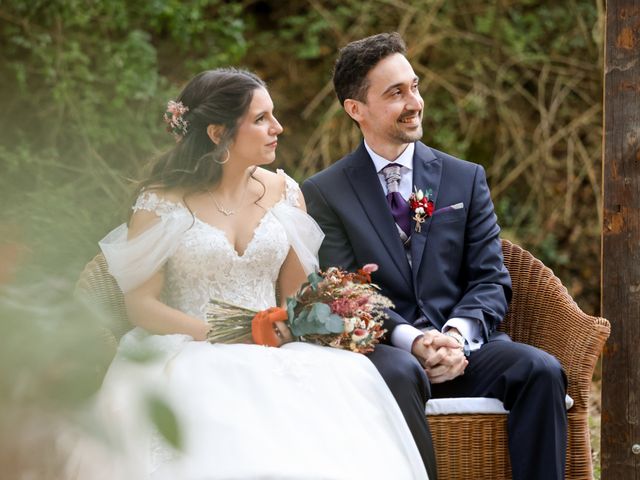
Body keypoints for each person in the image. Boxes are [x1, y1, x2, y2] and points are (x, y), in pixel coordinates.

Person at [72, 68, 429, 479]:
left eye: (272, 115)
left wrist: (288, 324)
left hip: (274, 348)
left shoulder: (286, 193)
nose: (277, 128)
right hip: (187, 349)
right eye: (261, 119)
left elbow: (295, 296)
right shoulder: (160, 202)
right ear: (217, 133)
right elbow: (141, 305)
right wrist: (222, 334)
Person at [301, 33, 568, 480]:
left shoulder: (465, 178)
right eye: (395, 93)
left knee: (540, 369)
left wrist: (455, 337)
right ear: (355, 109)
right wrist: (414, 341)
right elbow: (345, 293)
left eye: (415, 86)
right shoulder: (325, 193)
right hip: (387, 352)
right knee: (404, 371)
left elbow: (490, 279)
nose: (415, 102)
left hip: (465, 347)